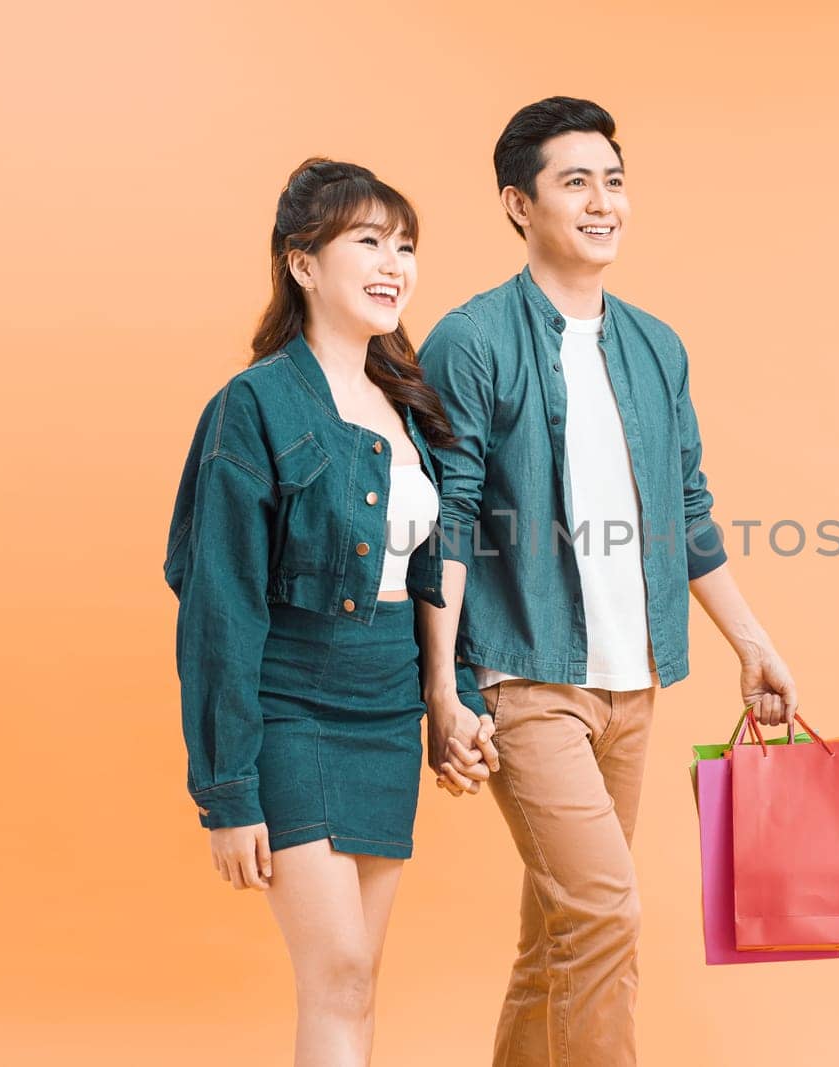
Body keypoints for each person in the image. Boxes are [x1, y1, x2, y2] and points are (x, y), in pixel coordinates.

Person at [416, 96, 799, 1066]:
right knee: (603, 911)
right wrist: (441, 690)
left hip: (635, 681)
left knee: (560, 932)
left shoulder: (653, 345)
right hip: (525, 675)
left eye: (614, 180)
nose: (603, 201)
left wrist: (751, 642)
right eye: (574, 181)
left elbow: (690, 509)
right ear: (518, 203)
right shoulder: (473, 340)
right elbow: (445, 521)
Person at [162, 157, 493, 1067]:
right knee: (338, 969)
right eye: (368, 242)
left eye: (406, 245)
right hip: (293, 704)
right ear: (303, 263)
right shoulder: (254, 405)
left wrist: (448, 697)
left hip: (387, 709)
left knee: (358, 983)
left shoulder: (411, 407)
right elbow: (217, 606)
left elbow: (435, 579)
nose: (395, 264)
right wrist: (227, 789)